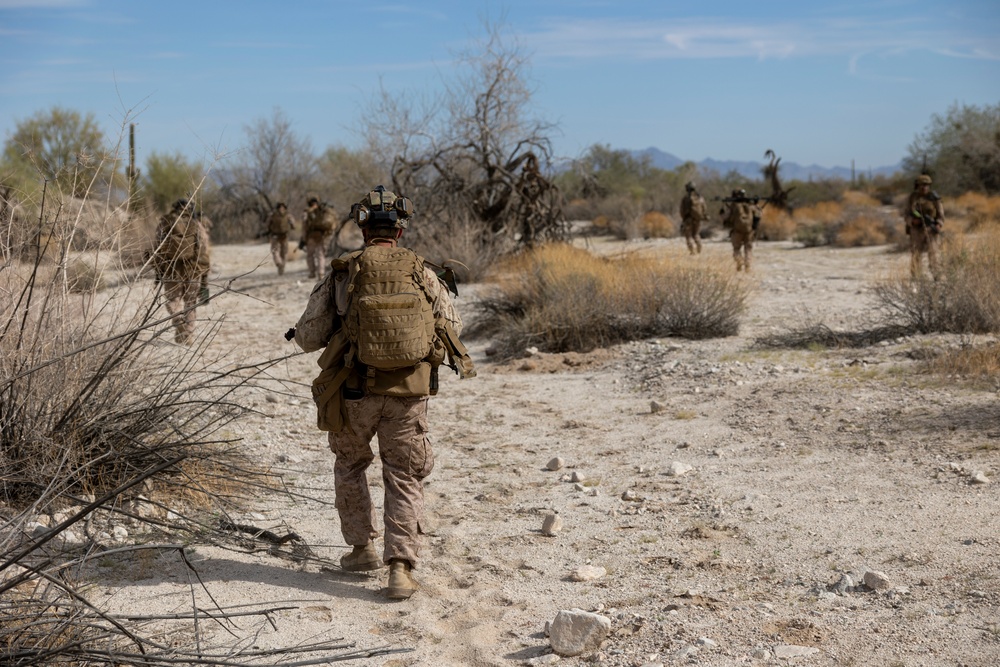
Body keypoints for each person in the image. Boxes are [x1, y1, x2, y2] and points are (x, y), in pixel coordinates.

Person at [291, 185, 475, 600]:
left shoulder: (343, 271)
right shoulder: (423, 271)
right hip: (408, 395)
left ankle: (361, 549)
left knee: (351, 466)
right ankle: (401, 568)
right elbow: (453, 328)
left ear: (362, 228)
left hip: (354, 393)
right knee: (404, 475)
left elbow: (308, 336)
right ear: (401, 231)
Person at [153, 198, 211, 345]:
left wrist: (159, 269)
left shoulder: (165, 222)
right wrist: (204, 271)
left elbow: (157, 246)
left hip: (172, 268)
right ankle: (189, 332)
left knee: (173, 300)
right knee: (190, 302)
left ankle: (179, 324)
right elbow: (204, 248)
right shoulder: (196, 224)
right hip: (193, 269)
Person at [903, 174, 944, 280]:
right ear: (917, 185)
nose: (924, 187)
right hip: (916, 230)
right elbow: (906, 214)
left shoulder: (934, 197)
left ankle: (937, 274)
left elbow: (941, 214)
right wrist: (912, 221)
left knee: (934, 252)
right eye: (922, 185)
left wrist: (938, 224)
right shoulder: (913, 198)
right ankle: (916, 275)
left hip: (931, 228)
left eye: (926, 185)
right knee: (916, 252)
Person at [721, 189, 761, 272]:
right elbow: (759, 214)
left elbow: (726, 217)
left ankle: (739, 262)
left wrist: (722, 213)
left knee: (736, 249)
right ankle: (748, 266)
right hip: (749, 232)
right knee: (748, 249)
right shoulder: (751, 205)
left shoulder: (734, 206)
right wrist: (756, 204)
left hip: (737, 231)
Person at [302, 196, 333, 280]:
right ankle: (321, 273)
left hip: (311, 236)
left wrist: (304, 238)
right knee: (320, 255)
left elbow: (305, 226)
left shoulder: (307, 212)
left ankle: (312, 272)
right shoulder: (322, 211)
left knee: (310, 255)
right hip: (321, 236)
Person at [266, 202, 295, 275]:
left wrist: (269, 231)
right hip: (284, 236)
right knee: (284, 252)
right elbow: (293, 225)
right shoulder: (288, 215)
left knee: (275, 251)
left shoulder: (272, 215)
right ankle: (282, 266)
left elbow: (267, 224)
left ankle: (279, 263)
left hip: (275, 235)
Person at [679, 181, 708, 255]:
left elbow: (682, 210)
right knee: (696, 234)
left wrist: (684, 218)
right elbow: (704, 208)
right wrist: (703, 216)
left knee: (688, 235)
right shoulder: (700, 197)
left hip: (688, 219)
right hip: (698, 219)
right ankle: (699, 247)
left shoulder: (686, 198)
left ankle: (692, 251)